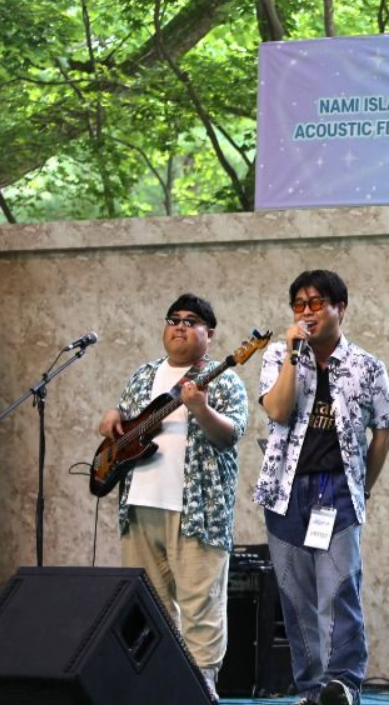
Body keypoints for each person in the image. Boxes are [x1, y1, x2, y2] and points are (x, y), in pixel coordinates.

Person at [255, 270, 389, 705]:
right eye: (299, 304)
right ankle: (311, 688)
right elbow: (278, 411)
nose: (307, 312)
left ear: (341, 308)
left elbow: (384, 430)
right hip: (285, 492)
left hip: (336, 490)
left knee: (338, 589)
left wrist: (362, 488)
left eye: (317, 303)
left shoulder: (368, 366)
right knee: (296, 596)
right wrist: (292, 356)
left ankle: (343, 684)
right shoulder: (280, 355)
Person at [97, 293, 249, 699]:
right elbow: (122, 425)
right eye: (173, 319)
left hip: (198, 513)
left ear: (209, 335)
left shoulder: (224, 378)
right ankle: (156, 685)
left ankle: (202, 688)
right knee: (148, 608)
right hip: (139, 507)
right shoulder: (143, 375)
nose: (180, 325)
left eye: (192, 320)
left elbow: (230, 435)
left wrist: (199, 408)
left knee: (201, 607)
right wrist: (113, 417)